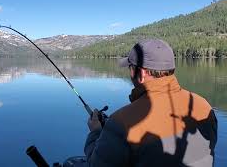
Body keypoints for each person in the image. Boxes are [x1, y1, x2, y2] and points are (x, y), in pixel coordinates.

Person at [84, 39, 217, 167]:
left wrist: (96, 132)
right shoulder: (204, 107)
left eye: (130, 67)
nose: (129, 72)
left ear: (141, 73)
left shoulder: (121, 122)